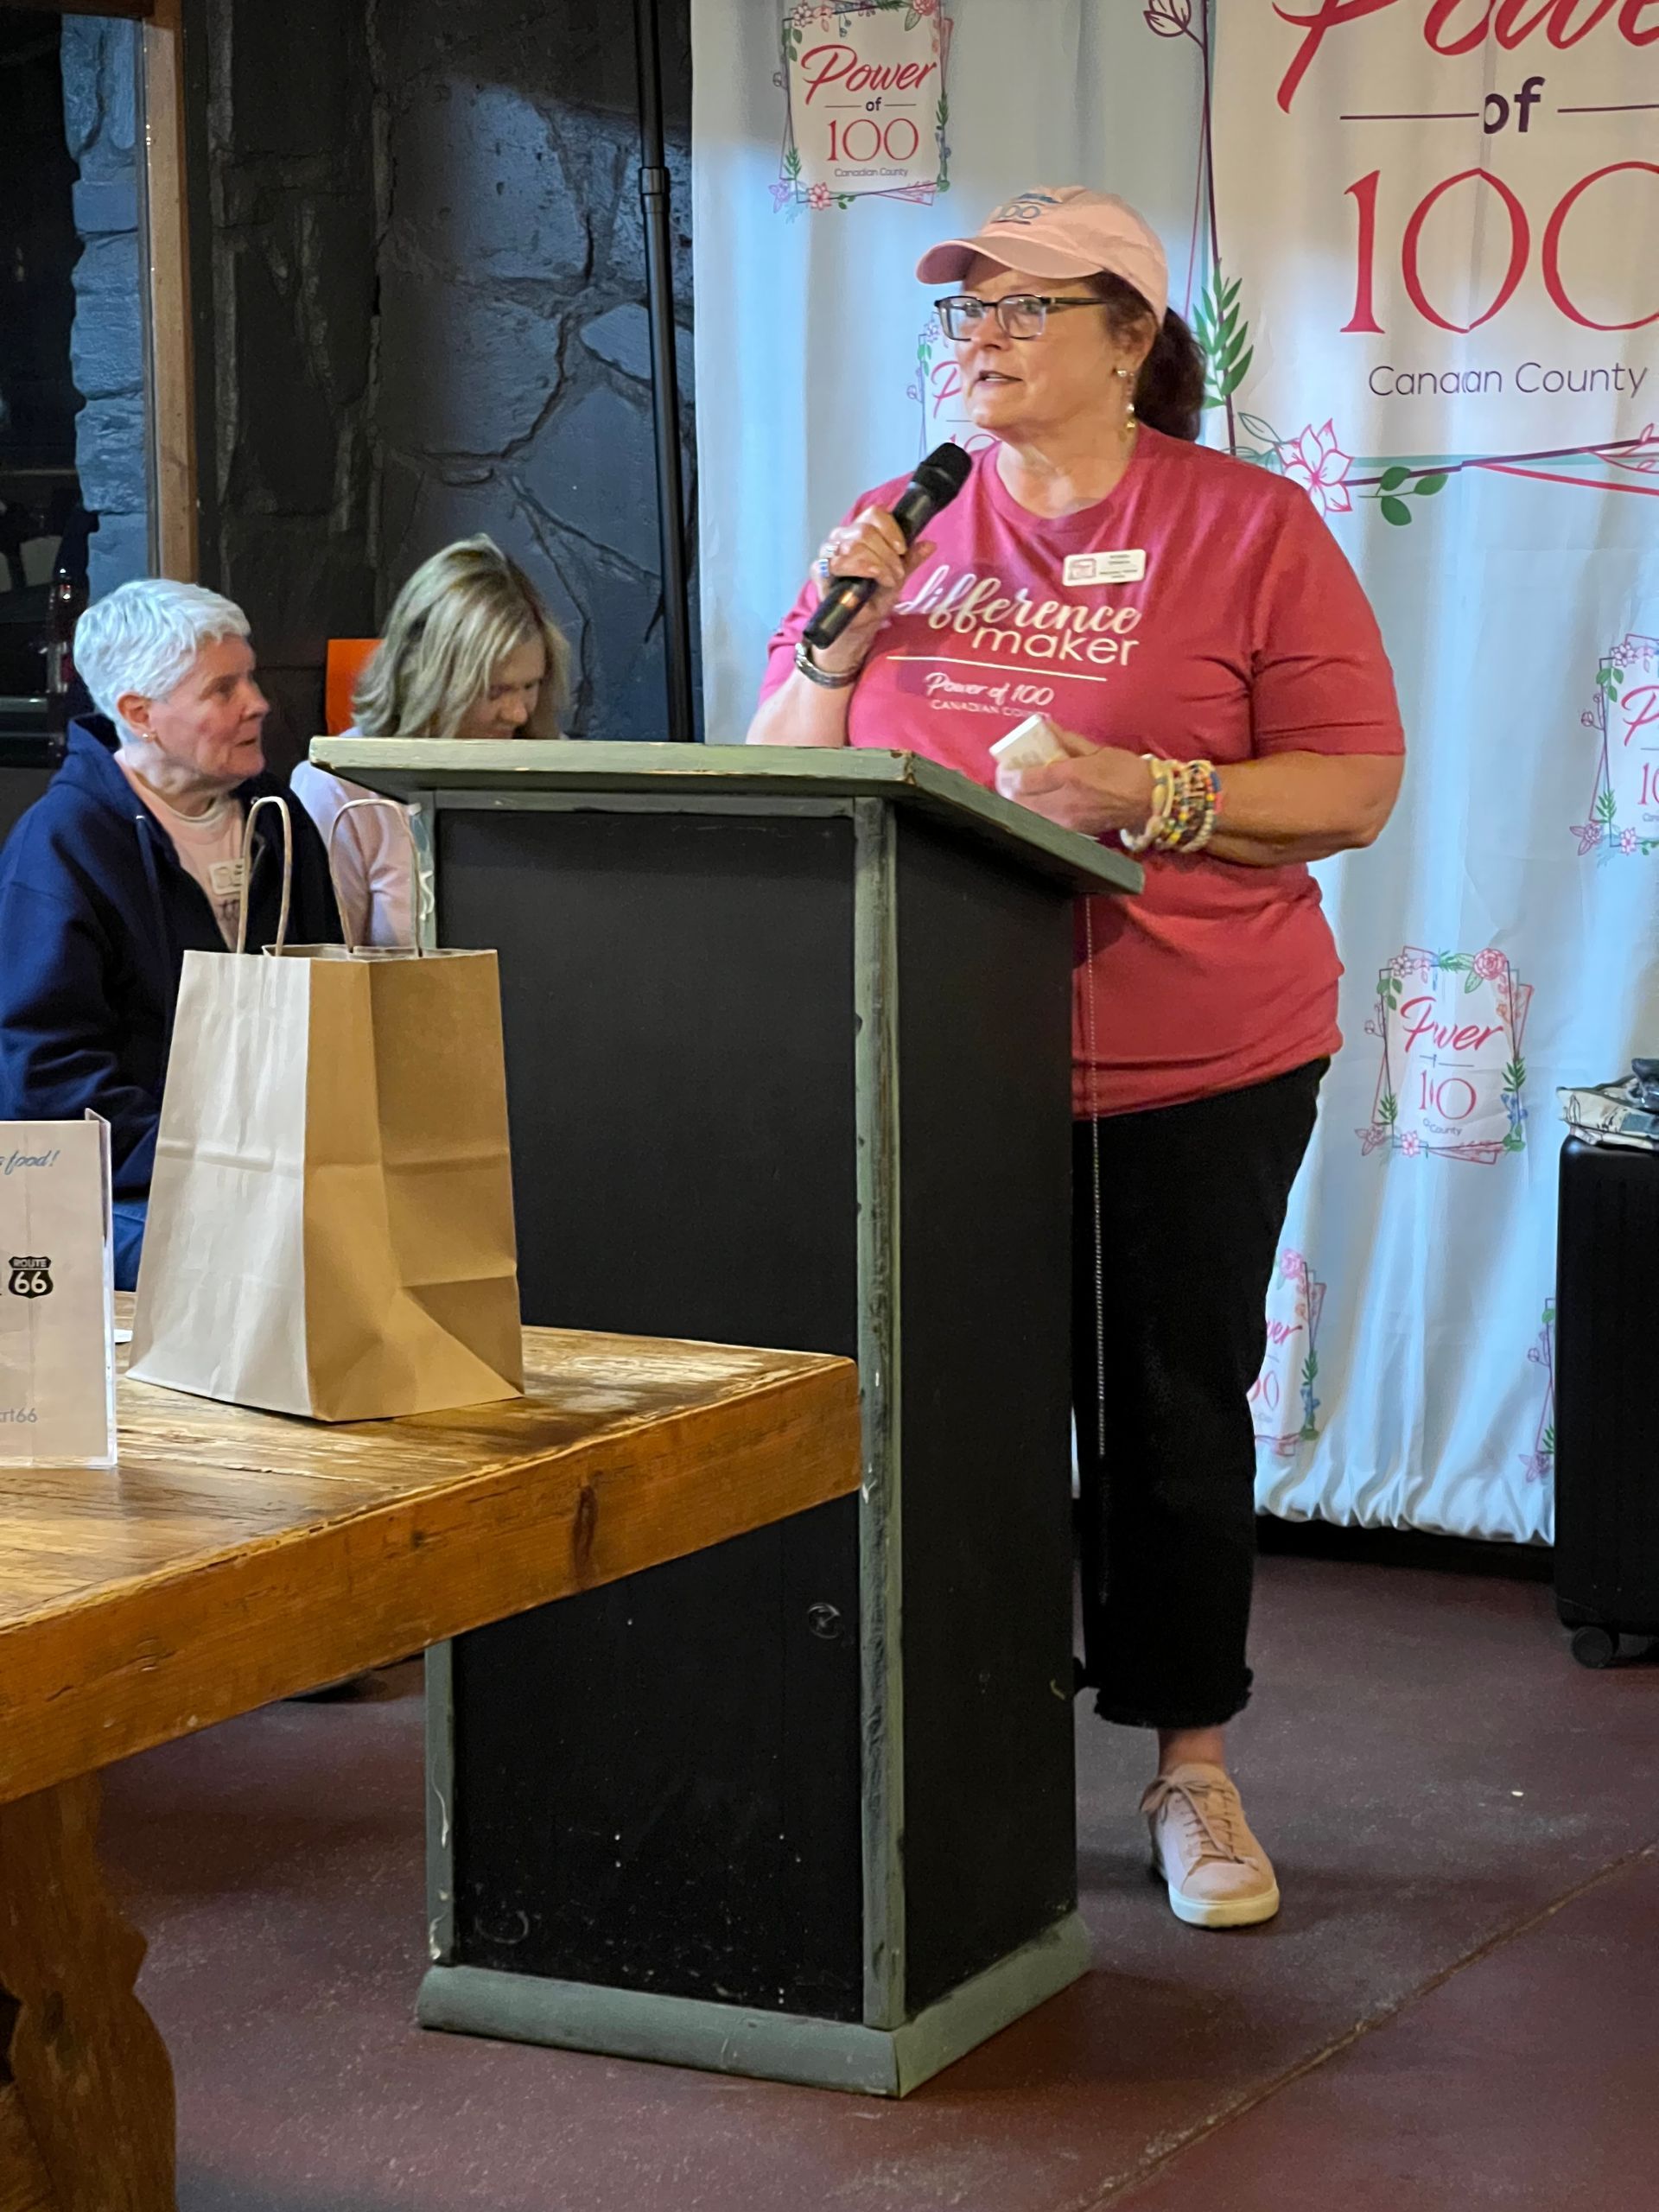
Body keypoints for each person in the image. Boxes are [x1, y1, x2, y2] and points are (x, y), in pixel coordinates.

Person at [747, 187, 1405, 1930]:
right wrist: (844, 624)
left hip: (1195, 1061)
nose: (983, 335)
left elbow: (1352, 785)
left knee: (1167, 1422)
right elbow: (784, 764)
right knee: (946, 1422)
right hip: (944, 1061)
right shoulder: (905, 522)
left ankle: (1191, 1768)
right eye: (966, 306)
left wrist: (1149, 792)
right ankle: (962, 1759)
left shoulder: (1244, 526)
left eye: (1026, 307)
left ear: (1130, 342)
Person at [0, 578, 340, 1291]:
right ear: (139, 714)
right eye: (223, 689)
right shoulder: (61, 846)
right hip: (129, 1185)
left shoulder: (279, 817)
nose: (258, 704)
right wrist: (203, 1160)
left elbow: (332, 994)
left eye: (250, 678)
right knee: (268, 1254)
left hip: (285, 1159)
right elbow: (48, 1078)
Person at [292, 535, 571, 947]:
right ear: (428, 680)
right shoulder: (338, 788)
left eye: (530, 686)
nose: (518, 714)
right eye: (495, 691)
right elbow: (326, 968)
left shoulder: (553, 766)